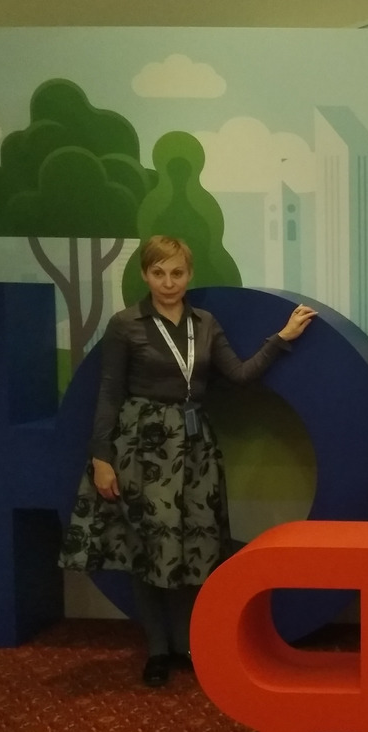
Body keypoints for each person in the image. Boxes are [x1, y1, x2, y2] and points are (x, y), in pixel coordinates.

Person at [59, 235, 316, 687]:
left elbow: (239, 375)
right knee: (149, 547)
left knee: (196, 543)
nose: (168, 282)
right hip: (143, 447)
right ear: (145, 274)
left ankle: (186, 643)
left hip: (195, 447)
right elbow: (109, 393)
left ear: (189, 274)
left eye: (176, 273)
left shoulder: (205, 323)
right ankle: (158, 649)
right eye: (158, 273)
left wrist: (281, 339)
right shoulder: (125, 324)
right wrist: (101, 457)